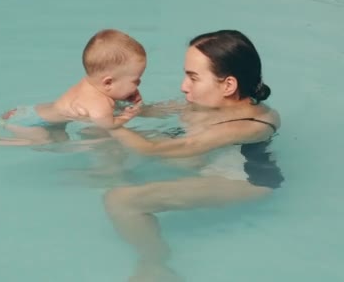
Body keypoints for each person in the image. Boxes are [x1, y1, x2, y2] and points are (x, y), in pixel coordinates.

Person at [103, 30, 283, 281]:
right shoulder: (207, 100)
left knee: (121, 201)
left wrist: (110, 125)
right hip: (205, 161)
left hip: (243, 182)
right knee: (107, 139)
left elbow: (154, 149)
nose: (183, 86)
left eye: (193, 78)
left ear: (228, 84)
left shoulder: (254, 122)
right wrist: (113, 101)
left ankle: (155, 264)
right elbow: (150, 112)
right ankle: (104, 174)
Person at [0, 29, 145, 149]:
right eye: (135, 81)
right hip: (26, 123)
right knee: (44, 142)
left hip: (28, 112)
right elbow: (109, 125)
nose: (138, 84)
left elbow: (112, 92)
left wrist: (126, 93)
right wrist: (127, 116)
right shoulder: (98, 103)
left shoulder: (91, 83)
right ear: (108, 82)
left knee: (61, 142)